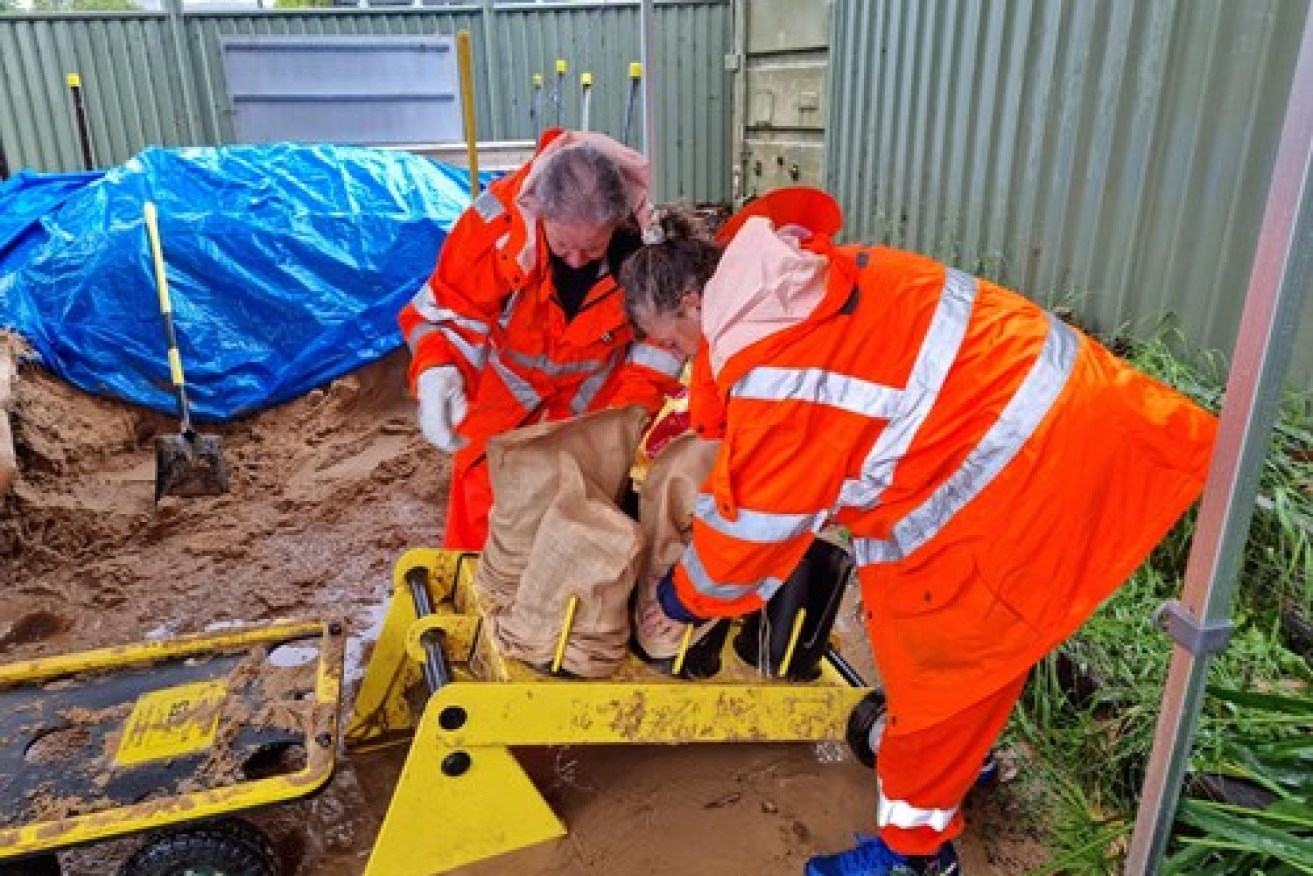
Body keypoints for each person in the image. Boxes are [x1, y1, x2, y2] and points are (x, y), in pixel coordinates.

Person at [619, 187, 1217, 875]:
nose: (681, 356)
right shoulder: (799, 277)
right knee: (970, 652)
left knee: (939, 669)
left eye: (671, 341)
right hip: (1076, 411)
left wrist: (678, 600)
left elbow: (751, 538)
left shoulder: (778, 367)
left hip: (1018, 477)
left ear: (694, 304)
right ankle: (965, 762)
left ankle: (916, 853)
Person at [399, 129, 685, 549]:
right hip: (502, 399)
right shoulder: (493, 229)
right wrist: (437, 371)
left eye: (592, 249)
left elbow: (662, 343)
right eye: (563, 244)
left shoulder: (647, 248)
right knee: (482, 505)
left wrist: (626, 416)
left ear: (617, 222)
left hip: (596, 407)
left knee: (580, 516)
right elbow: (450, 311)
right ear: (539, 213)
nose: (575, 260)